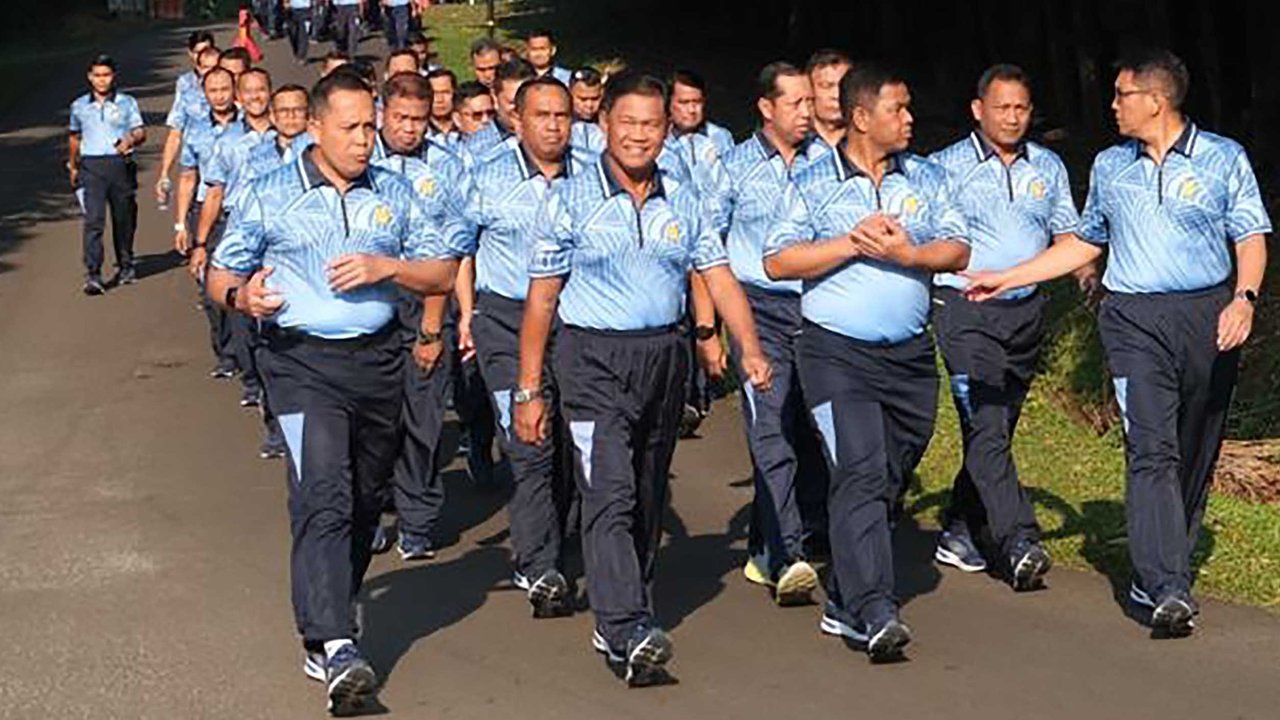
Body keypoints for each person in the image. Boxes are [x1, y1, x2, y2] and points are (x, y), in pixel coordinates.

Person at [963, 49, 1270, 637]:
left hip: (1207, 313)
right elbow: (1085, 244)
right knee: (1151, 447)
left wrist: (1244, 299)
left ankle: (1160, 563)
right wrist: (1009, 275)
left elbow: (1250, 235)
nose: (1112, 104)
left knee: (1193, 446)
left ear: (1155, 101)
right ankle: (1167, 585)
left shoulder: (1223, 158)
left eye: (1121, 94)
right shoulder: (1110, 165)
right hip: (1132, 320)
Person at [206, 70, 463, 715]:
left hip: (376, 363)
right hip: (297, 363)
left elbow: (442, 272)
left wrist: (388, 268)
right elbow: (219, 274)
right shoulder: (269, 194)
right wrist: (243, 297)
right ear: (314, 128)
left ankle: (330, 609)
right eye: (349, 128)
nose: (362, 140)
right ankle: (336, 642)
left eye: (369, 127)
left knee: (364, 501)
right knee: (322, 492)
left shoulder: (395, 194)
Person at [514, 71, 772, 687]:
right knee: (609, 492)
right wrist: (529, 388)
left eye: (650, 125)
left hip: (663, 357)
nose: (638, 136)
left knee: (646, 491)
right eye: (626, 123)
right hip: (590, 360)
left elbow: (720, 276)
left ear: (666, 130)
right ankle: (622, 623)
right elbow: (541, 302)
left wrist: (750, 348)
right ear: (603, 125)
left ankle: (632, 599)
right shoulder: (568, 199)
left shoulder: (684, 199)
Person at [763, 64, 970, 661]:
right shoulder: (810, 181)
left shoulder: (927, 176)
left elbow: (958, 249)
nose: (909, 119)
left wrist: (909, 253)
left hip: (908, 356)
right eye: (897, 109)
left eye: (908, 109)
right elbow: (778, 261)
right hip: (834, 354)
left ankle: (843, 602)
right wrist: (850, 243)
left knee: (887, 471)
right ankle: (874, 610)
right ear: (860, 117)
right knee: (858, 468)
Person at [926, 64, 1082, 591]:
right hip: (964, 309)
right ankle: (1019, 540)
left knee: (995, 430)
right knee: (986, 426)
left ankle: (959, 528)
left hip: (1025, 313)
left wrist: (1087, 277)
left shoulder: (1050, 167)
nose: (1013, 118)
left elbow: (1068, 234)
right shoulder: (942, 168)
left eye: (1021, 108)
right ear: (978, 110)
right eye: (1002, 108)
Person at [457, 76, 586, 617]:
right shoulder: (484, 178)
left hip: (576, 324)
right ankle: (539, 567)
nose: (554, 125)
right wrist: (466, 315)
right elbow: (458, 249)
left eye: (563, 115)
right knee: (528, 440)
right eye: (542, 115)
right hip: (506, 322)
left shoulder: (592, 177)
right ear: (516, 119)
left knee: (568, 445)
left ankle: (558, 535)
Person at [709, 61, 831, 606]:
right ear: (766, 107)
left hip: (818, 309)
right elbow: (706, 248)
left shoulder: (828, 163)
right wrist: (707, 327)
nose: (807, 113)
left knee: (814, 431)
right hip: (756, 309)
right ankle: (786, 554)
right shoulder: (731, 168)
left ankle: (778, 538)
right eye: (796, 103)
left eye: (810, 102)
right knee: (771, 432)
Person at [369, 72, 472, 560]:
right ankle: (368, 511)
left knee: (423, 415)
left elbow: (457, 253)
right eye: (400, 118)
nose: (409, 129)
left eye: (419, 119)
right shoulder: (358, 160)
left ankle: (417, 519)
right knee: (371, 419)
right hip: (368, 300)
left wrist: (448, 321)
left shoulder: (449, 168)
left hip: (428, 301)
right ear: (381, 113)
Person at [194, 83, 314, 460]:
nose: (292, 117)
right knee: (256, 343)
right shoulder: (252, 156)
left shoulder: (323, 153)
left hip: (307, 260)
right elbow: (224, 197)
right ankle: (274, 418)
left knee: (303, 347)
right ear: (273, 117)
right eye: (285, 111)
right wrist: (202, 244)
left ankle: (301, 426)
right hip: (258, 259)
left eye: (299, 110)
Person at [193, 68, 276, 408]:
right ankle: (252, 376)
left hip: (278, 232)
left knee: (273, 302)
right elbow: (214, 193)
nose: (256, 97)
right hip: (237, 229)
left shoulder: (288, 138)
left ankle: (276, 375)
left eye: (261, 90)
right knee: (239, 308)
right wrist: (200, 244)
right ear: (239, 98)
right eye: (249, 92)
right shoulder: (225, 143)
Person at [173, 66, 243, 379]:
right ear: (204, 93)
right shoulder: (196, 130)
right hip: (205, 213)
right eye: (212, 90)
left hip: (240, 212)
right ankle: (226, 354)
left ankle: (250, 355)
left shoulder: (249, 127)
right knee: (210, 290)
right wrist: (181, 224)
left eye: (224, 89)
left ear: (235, 89)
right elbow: (188, 177)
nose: (219, 96)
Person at [68, 54, 145, 295]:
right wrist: (73, 165)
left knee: (124, 219)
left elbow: (140, 131)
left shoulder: (127, 102)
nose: (102, 81)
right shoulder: (79, 106)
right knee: (93, 221)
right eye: (97, 76)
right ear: (90, 77)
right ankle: (93, 274)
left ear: (114, 76)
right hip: (91, 166)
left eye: (107, 75)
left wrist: (130, 139)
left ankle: (125, 263)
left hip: (119, 165)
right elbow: (74, 137)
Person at [154, 44, 219, 210]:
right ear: (198, 68)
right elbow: (175, 134)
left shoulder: (239, 99)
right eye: (206, 68)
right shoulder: (189, 98)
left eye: (216, 68)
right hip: (201, 187)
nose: (211, 73)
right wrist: (164, 174)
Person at [463, 59, 533, 163]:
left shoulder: (557, 139)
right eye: (513, 102)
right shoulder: (473, 151)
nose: (521, 109)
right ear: (495, 98)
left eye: (529, 102)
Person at [806, 49, 851, 153]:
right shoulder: (794, 142)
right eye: (826, 86)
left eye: (843, 87)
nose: (836, 95)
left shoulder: (870, 142)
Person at [568, 67, 605, 153]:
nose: (589, 105)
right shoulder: (558, 122)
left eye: (595, 99)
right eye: (583, 99)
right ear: (569, 94)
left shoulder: (608, 122)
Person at [425, 68, 460, 150]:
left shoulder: (467, 127)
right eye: (434, 94)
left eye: (445, 92)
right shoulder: (420, 132)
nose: (440, 99)